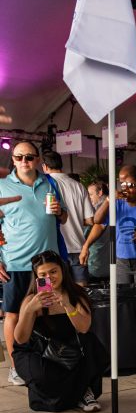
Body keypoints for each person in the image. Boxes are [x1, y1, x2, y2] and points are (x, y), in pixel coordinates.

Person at [0, 139, 68, 385]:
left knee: (43, 311)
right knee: (13, 314)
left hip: (45, 266)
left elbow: (65, 218)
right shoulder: (2, 187)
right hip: (15, 263)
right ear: (13, 160)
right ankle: (17, 367)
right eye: (19, 157)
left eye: (29, 157)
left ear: (38, 159)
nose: (24, 162)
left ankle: (41, 360)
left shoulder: (49, 183)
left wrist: (60, 211)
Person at [13, 250, 107, 412]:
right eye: (43, 275)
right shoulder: (31, 299)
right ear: (37, 278)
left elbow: (84, 328)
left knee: (91, 344)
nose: (49, 278)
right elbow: (21, 339)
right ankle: (60, 394)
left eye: (53, 271)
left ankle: (84, 391)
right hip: (39, 349)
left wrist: (67, 305)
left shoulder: (76, 294)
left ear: (63, 270)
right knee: (43, 376)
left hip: (67, 345)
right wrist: (29, 311)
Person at [79, 172, 136, 288]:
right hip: (121, 263)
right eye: (124, 185)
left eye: (131, 186)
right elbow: (98, 221)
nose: (127, 189)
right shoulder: (117, 205)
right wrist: (109, 200)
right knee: (123, 300)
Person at [40, 150, 94, 283]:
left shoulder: (43, 185)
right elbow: (90, 220)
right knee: (80, 295)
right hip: (78, 247)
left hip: (53, 248)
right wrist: (75, 219)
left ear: (45, 166)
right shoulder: (79, 186)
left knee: (54, 295)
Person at [83, 178, 110, 283]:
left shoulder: (97, 210)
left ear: (100, 192)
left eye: (90, 194)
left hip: (97, 262)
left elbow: (86, 234)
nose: (89, 198)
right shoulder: (114, 206)